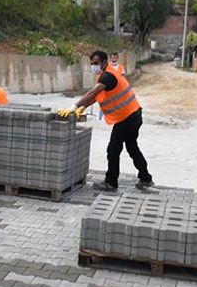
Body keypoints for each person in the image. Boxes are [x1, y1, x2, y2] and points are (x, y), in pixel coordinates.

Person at [58, 50, 153, 191]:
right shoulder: (106, 74)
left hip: (126, 118)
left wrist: (74, 106)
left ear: (104, 62)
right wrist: (83, 107)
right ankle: (145, 178)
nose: (93, 66)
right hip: (134, 114)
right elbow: (97, 97)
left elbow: (93, 93)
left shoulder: (108, 76)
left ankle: (111, 182)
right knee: (132, 147)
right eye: (91, 64)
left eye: (96, 63)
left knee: (113, 150)